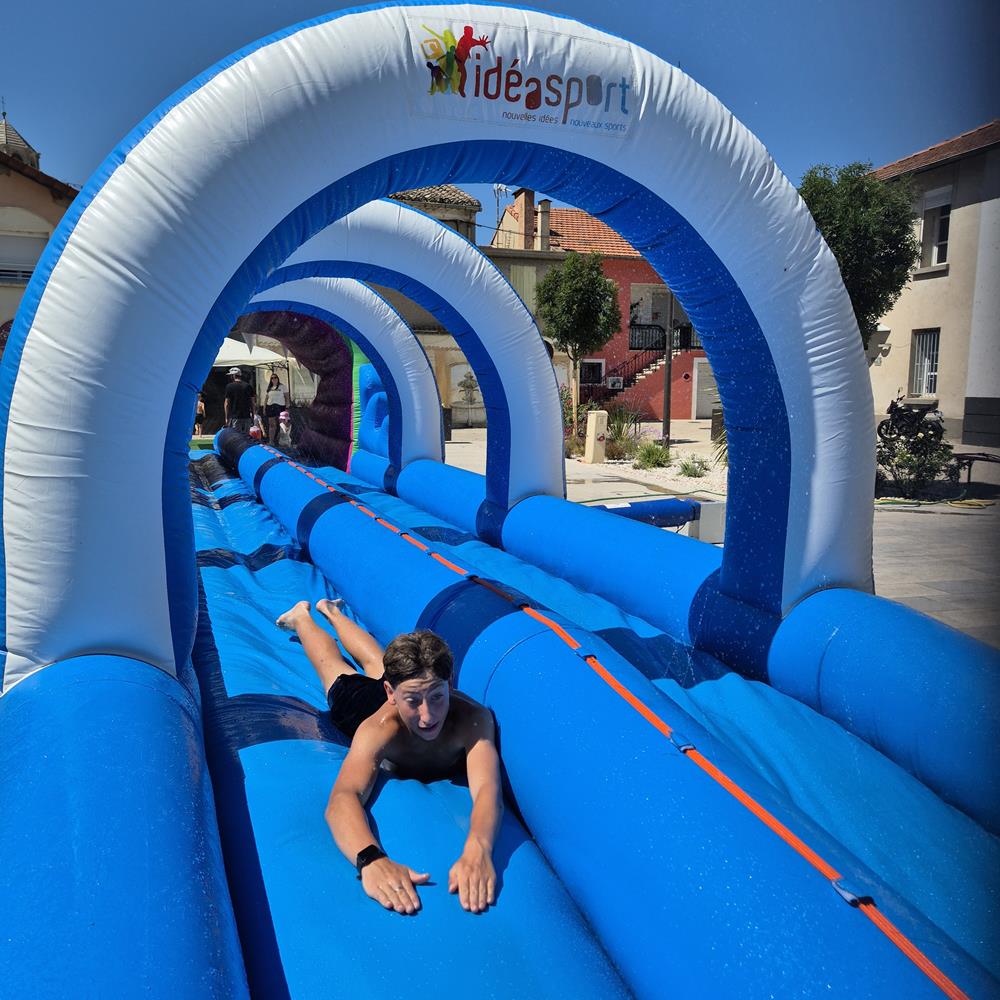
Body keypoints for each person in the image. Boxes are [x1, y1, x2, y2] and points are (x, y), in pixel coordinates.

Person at [276, 598, 502, 915]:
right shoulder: (377, 728)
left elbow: (487, 789)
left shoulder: (472, 719)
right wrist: (370, 859)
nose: (427, 716)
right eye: (413, 700)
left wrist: (479, 846)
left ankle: (332, 611)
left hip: (395, 683)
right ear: (391, 694)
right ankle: (303, 617)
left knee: (379, 662)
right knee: (335, 669)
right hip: (360, 702)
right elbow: (344, 796)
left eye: (438, 697)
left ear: (450, 684)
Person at [224, 367, 256, 433]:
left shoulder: (229, 386)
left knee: (236, 437)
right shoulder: (248, 386)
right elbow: (252, 402)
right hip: (246, 416)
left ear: (233, 375)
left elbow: (226, 403)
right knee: (246, 437)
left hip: (235, 416)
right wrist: (253, 415)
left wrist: (227, 417)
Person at [264, 372, 287, 443]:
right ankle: (271, 441)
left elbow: (287, 397)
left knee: (281, 424)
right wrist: (264, 408)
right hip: (270, 406)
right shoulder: (269, 388)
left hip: (280, 406)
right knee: (272, 424)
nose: (274, 379)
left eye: (275, 377)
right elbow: (266, 399)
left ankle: (281, 441)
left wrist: (287, 407)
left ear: (278, 379)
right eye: (272, 378)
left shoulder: (282, 386)